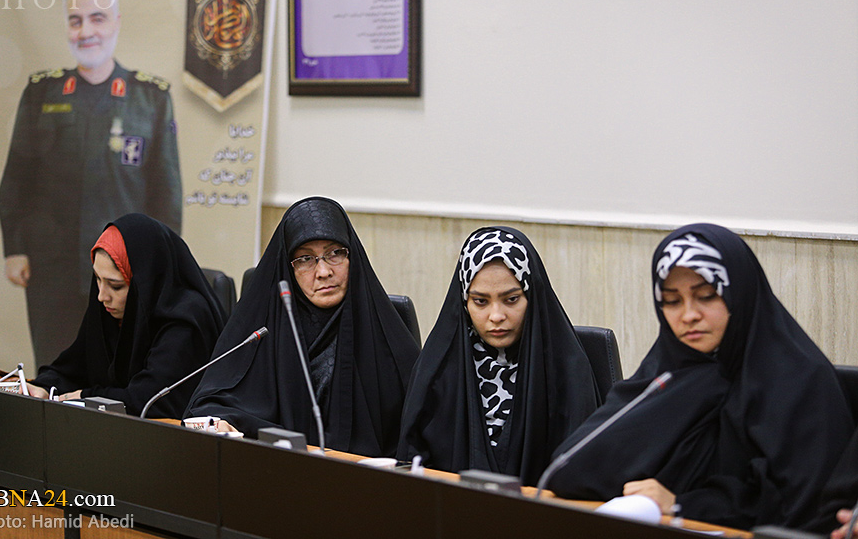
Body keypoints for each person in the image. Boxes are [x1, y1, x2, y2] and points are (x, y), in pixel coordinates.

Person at [546, 223, 853, 530]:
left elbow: (799, 508)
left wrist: (683, 504)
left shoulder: (799, 382)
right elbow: (571, 470)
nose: (689, 315)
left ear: (740, 295)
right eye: (672, 301)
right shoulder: (669, 374)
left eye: (706, 296)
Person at [0, 0, 182, 368]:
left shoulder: (150, 97)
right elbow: (17, 177)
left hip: (123, 272)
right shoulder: (42, 93)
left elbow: (166, 192)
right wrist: (14, 248)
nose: (86, 31)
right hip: (52, 269)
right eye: (75, 20)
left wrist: (158, 266)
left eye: (97, 18)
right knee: (53, 369)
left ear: (116, 22)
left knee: (118, 374)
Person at [186, 197, 420, 457]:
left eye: (335, 253)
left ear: (352, 256)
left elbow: (420, 429)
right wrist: (221, 422)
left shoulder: (383, 334)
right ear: (288, 269)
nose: (323, 271)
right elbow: (213, 404)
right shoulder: (261, 331)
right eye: (306, 259)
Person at [397, 227, 601, 485]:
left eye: (511, 299)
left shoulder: (567, 371)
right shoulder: (435, 372)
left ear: (532, 297)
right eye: (480, 301)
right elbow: (411, 469)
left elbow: (581, 475)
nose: (496, 316)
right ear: (464, 303)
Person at [27, 214, 224, 418]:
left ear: (145, 282)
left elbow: (149, 401)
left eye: (116, 286)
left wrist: (85, 396)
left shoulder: (186, 319)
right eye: (97, 279)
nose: (102, 296)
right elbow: (72, 369)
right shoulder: (109, 308)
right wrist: (44, 387)